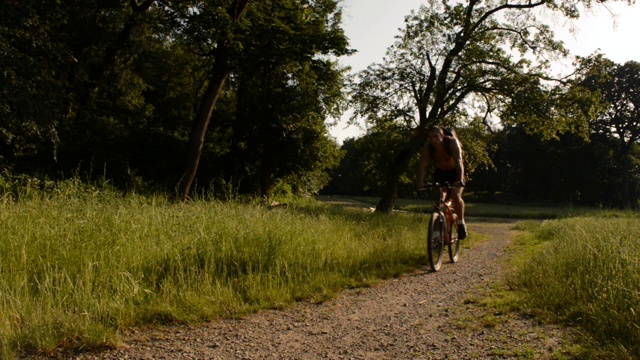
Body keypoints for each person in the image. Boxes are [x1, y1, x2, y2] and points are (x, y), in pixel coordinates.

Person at [415, 126, 467, 239]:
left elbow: (459, 161)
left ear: (442, 136)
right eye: (430, 137)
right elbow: (422, 165)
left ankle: (461, 222)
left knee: (455, 195)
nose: (433, 140)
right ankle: (436, 235)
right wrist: (420, 182)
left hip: (455, 172)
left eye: (435, 137)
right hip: (441, 174)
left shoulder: (452, 143)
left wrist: (460, 179)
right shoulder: (428, 148)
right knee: (437, 202)